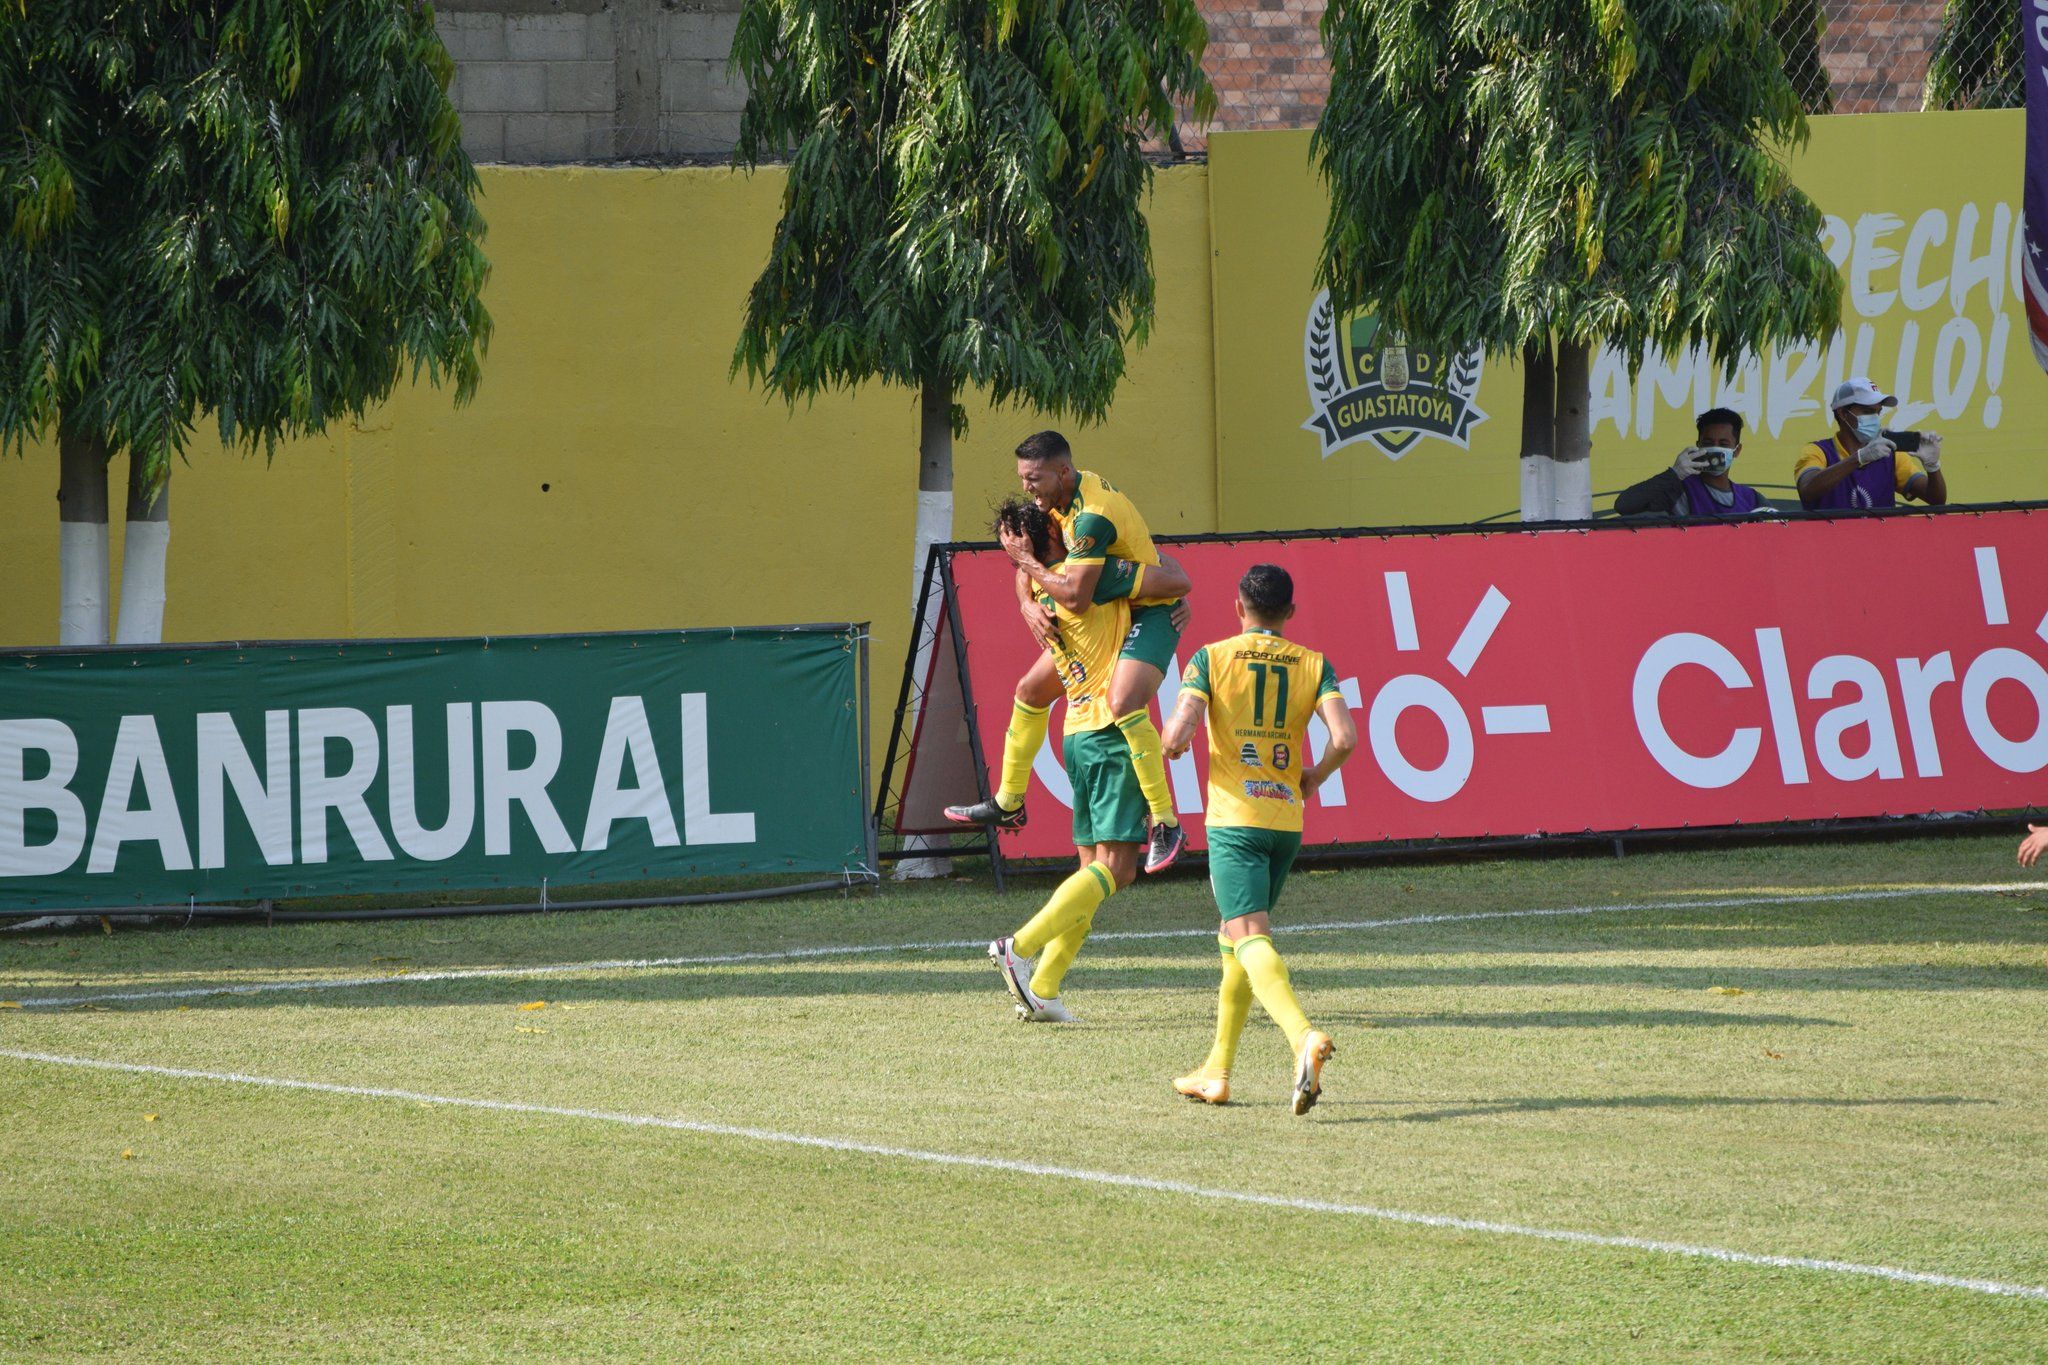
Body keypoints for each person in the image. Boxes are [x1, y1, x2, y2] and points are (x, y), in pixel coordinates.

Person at [944, 432, 1192, 875]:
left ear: (1062, 471)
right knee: (1029, 691)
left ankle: (1167, 824)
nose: (1027, 488)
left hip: (1152, 612)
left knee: (1122, 703)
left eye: (1033, 478)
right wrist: (1025, 600)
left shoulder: (1090, 520)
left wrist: (1029, 567)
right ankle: (1009, 802)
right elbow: (1035, 564)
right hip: (1109, 596)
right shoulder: (1056, 504)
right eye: (1022, 478)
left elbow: (1156, 582)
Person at [985, 499, 1193, 1023]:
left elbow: (1033, 579)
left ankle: (1046, 987)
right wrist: (1172, 611)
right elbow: (1169, 580)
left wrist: (1024, 577)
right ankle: (1020, 946)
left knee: (1090, 874)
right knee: (1118, 870)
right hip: (1108, 735)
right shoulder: (1087, 583)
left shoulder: (1040, 588)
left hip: (1076, 734)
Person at [1160, 563, 1358, 1114]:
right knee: (1235, 944)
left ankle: (1302, 1036)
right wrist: (1313, 777)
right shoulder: (1314, 664)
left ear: (1237, 607)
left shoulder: (1211, 657)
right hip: (1284, 824)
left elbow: (1179, 732)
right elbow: (1344, 737)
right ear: (1290, 613)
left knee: (1249, 937)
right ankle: (1216, 1072)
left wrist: (1169, 745)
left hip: (1234, 821)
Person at [1795, 377, 1947, 510]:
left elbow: (1936, 500)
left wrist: (1933, 467)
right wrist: (1859, 458)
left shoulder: (1890, 454)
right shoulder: (1818, 451)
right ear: (1842, 414)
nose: (1874, 418)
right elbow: (1807, 490)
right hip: (1830, 541)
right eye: (1867, 411)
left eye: (1878, 412)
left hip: (1880, 542)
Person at [1614, 408, 1774, 518]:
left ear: (1737, 450)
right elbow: (1624, 505)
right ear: (1698, 445)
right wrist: (1674, 474)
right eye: (1709, 442)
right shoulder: (1680, 491)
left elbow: (1778, 533)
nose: (1715, 448)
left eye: (1723, 444)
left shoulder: (1752, 499)